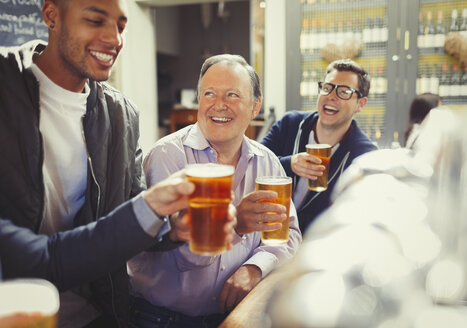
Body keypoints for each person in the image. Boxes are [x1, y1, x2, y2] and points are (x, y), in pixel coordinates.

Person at [0, 0, 147, 326]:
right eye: (96, 20)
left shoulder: (121, 114)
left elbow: (134, 211)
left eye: (121, 26)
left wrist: (176, 225)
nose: (114, 39)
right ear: (51, 15)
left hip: (96, 315)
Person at [128, 54, 302, 327]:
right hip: (163, 319)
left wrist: (254, 268)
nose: (219, 105)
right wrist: (236, 224)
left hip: (234, 317)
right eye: (209, 93)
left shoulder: (267, 161)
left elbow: (287, 233)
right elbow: (181, 254)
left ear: (255, 106)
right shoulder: (168, 156)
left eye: (232, 95)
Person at [1, 172, 236, 289]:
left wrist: (168, 224)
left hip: (106, 311)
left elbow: (48, 259)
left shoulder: (121, 112)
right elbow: (43, 262)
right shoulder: (11, 103)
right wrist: (149, 207)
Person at [261, 59, 377, 233]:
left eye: (344, 92)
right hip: (269, 237)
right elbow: (254, 164)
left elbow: (359, 216)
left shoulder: (364, 155)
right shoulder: (290, 124)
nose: (331, 96)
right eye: (327, 88)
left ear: (360, 104)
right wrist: (289, 163)